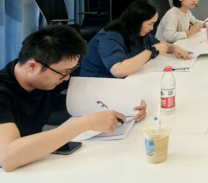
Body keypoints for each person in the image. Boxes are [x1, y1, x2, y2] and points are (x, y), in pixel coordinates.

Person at [0, 26, 146, 172]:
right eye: (64, 72)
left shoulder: (48, 74)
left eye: (71, 70)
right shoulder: (3, 92)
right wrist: (85, 124)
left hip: (32, 162)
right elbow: (7, 157)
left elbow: (94, 92)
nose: (67, 78)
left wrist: (130, 103)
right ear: (32, 67)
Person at [80, 0, 193, 78]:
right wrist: (151, 52)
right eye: (150, 23)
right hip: (96, 84)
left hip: (121, 81)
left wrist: (173, 47)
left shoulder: (139, 32)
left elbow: (160, 44)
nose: (152, 28)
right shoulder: (110, 36)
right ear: (137, 21)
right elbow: (118, 71)